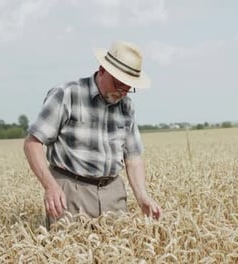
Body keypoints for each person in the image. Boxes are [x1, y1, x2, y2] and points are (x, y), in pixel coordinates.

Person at [23, 40, 162, 228]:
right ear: (102, 69)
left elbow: (133, 157)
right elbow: (33, 143)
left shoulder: (126, 106)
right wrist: (50, 186)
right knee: (70, 253)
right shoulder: (67, 94)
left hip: (113, 194)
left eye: (128, 87)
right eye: (119, 83)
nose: (122, 92)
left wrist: (142, 197)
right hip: (71, 192)